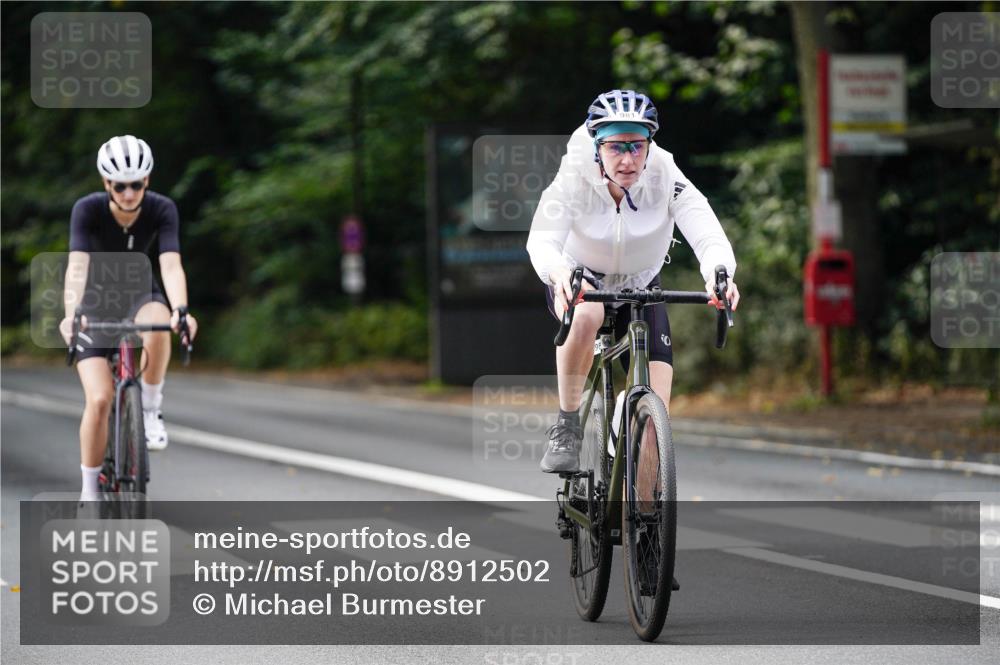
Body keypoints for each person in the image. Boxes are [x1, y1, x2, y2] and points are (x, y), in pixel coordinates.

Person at [527, 89, 740, 474]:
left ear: (649, 145)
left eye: (636, 146)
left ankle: (636, 479)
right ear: (597, 148)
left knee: (654, 426)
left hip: (640, 282)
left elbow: (706, 232)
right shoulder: (573, 177)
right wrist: (559, 274)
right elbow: (542, 240)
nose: (627, 159)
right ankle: (567, 425)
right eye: (615, 147)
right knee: (586, 314)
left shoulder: (665, 175)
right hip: (580, 277)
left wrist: (718, 275)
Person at [59, 135, 198, 501]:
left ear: (147, 180)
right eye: (120, 186)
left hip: (140, 294)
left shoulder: (162, 208)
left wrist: (181, 310)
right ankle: (90, 493)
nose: (129, 193)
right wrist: (71, 314)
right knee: (100, 400)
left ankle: (150, 408)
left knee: (160, 323)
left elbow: (171, 264)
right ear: (106, 183)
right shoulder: (87, 209)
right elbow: (77, 266)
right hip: (95, 303)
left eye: (136, 184)